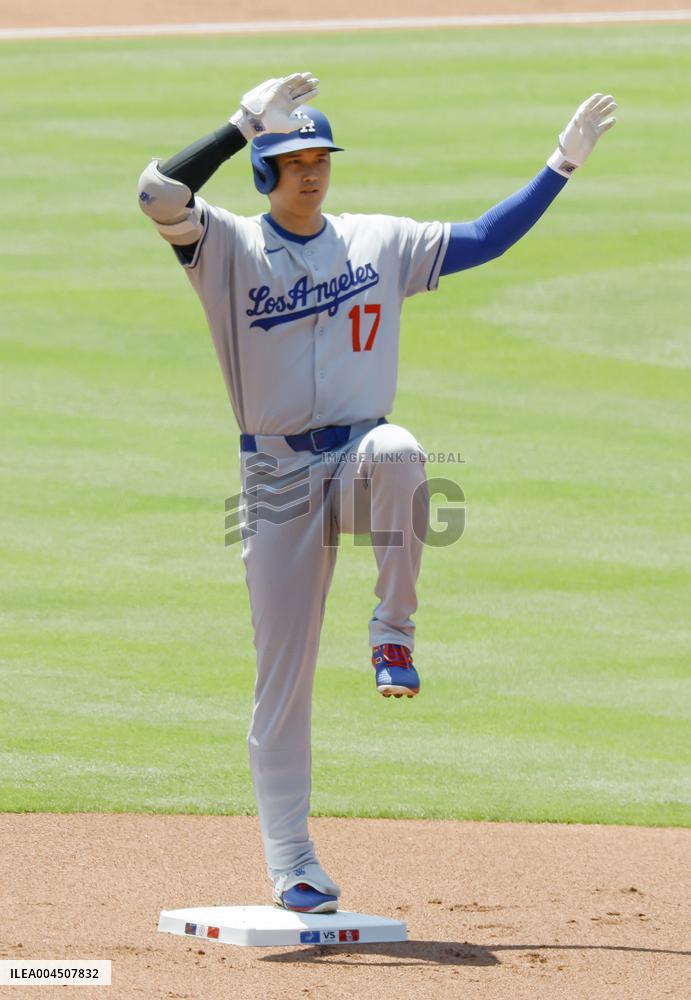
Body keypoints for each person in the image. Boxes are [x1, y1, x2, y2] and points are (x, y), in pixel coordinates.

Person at [137, 73, 617, 914]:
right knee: (279, 682)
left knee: (399, 450)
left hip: (356, 459)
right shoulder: (225, 248)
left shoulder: (377, 241)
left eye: (320, 158)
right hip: (276, 479)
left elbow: (482, 239)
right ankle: (293, 863)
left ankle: (392, 631)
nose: (311, 173)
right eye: (291, 161)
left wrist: (558, 167)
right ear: (264, 171)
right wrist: (243, 122)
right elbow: (155, 193)